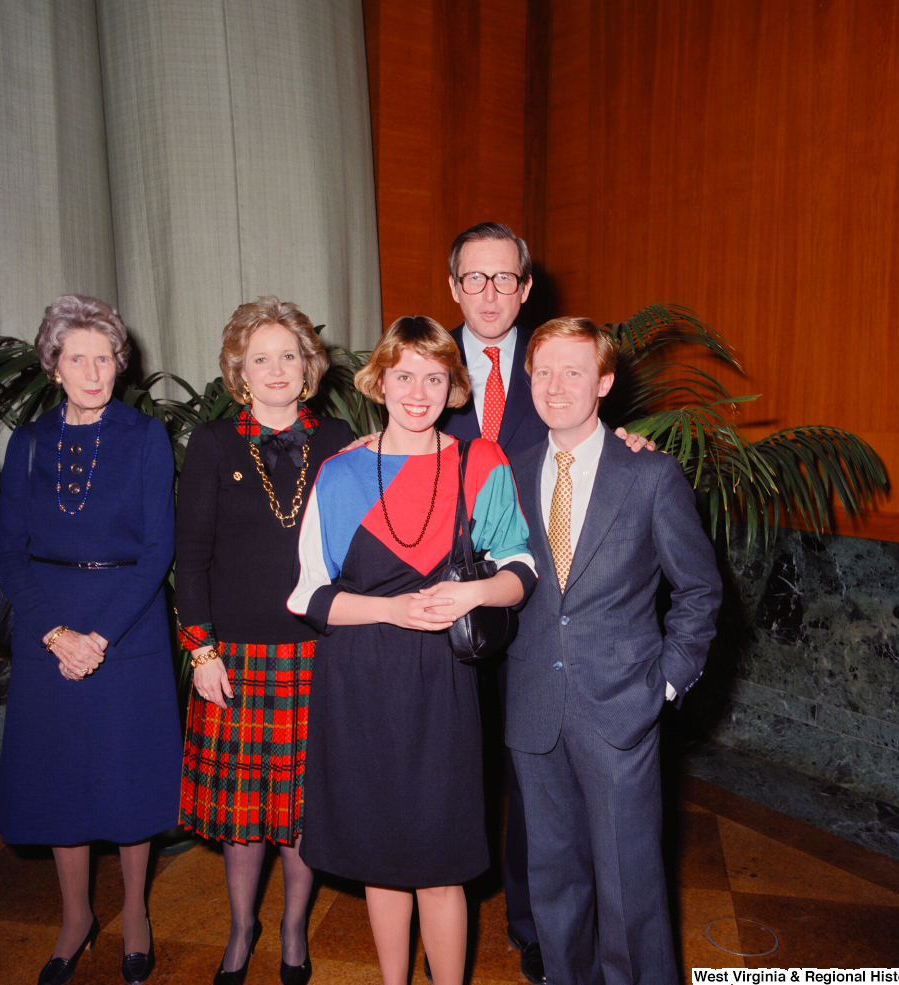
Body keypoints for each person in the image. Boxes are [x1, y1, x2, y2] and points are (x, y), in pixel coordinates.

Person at [287, 316, 536, 985]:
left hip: (442, 685)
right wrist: (391, 609)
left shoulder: (479, 461)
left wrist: (473, 595)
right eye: (405, 376)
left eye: (435, 377)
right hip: (360, 679)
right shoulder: (339, 475)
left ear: (454, 385)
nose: (419, 391)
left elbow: (520, 568)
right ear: (380, 382)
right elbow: (309, 596)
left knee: (441, 856)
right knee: (382, 852)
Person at [439, 221, 654, 985]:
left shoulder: (552, 364)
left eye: (505, 279)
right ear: (454, 285)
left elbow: (586, 445)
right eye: (475, 278)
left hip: (538, 616)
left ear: (526, 288)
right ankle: (448, 916)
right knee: (453, 765)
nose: (490, 292)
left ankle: (534, 923)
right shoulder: (423, 367)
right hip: (445, 609)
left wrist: (627, 443)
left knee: (538, 777)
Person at [506, 317, 723, 985]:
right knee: (555, 882)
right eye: (543, 371)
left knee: (631, 886)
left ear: (603, 381)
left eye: (574, 371)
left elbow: (700, 589)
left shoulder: (650, 476)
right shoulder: (508, 474)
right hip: (535, 709)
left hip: (621, 709)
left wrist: (663, 686)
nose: (556, 385)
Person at [0, 294, 181, 985]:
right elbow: (9, 552)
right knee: (60, 778)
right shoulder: (31, 442)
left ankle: (134, 910)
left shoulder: (144, 437)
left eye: (105, 357)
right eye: (79, 358)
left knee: (129, 776)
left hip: (126, 624)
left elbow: (159, 548)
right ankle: (75, 915)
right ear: (55, 365)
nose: (95, 371)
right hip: (51, 625)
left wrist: (98, 635)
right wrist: (54, 631)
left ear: (119, 363)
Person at [175, 297, 354, 985]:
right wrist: (202, 650)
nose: (276, 368)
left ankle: (291, 928)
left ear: (308, 366)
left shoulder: (340, 440)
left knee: (303, 815)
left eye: (289, 355)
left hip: (320, 653)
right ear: (239, 371)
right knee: (243, 819)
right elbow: (191, 557)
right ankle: (241, 925)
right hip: (237, 660)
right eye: (260, 358)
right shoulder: (214, 444)